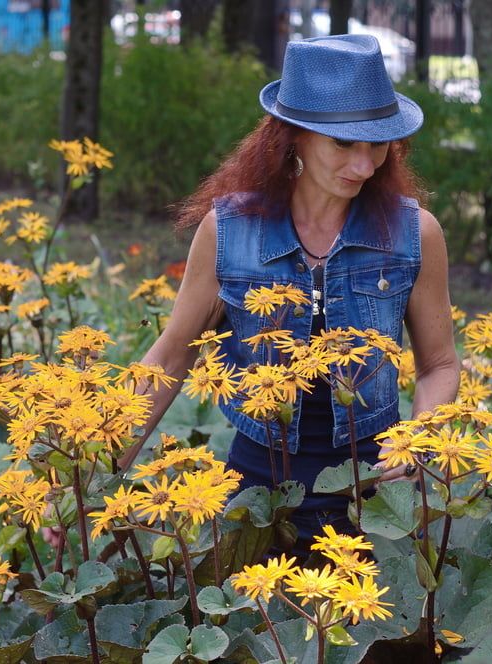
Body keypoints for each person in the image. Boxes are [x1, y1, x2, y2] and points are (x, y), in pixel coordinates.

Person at [120, 35, 460, 555]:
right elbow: (169, 357)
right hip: (256, 489)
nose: (365, 165)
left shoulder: (416, 235)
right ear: (295, 136)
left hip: (375, 493)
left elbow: (439, 364)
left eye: (378, 143)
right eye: (345, 144)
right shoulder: (228, 231)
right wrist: (98, 472)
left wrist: (414, 443)